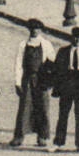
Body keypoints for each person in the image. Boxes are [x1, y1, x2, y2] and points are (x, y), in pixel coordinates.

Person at [10, 20, 56, 148]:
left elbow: (53, 63)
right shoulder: (23, 45)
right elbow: (18, 64)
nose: (35, 31)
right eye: (32, 29)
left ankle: (42, 137)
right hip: (27, 79)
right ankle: (19, 136)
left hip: (41, 80)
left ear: (41, 30)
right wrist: (17, 82)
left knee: (43, 107)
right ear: (29, 30)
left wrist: (50, 80)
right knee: (25, 107)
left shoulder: (46, 44)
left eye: (37, 29)